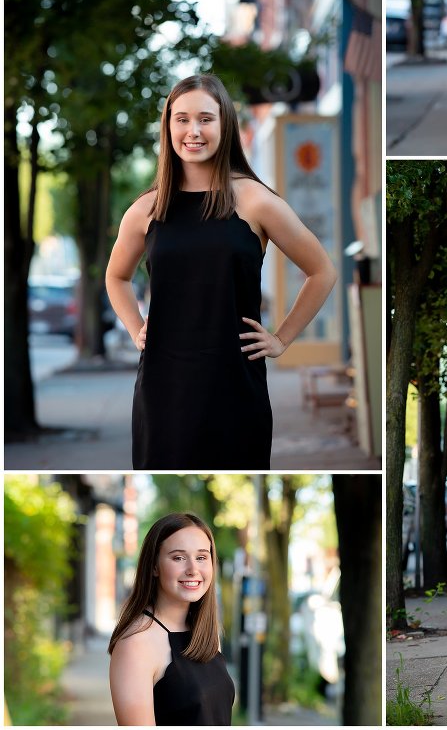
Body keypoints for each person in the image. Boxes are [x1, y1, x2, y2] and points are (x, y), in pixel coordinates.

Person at [105, 74, 337, 469]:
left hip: (234, 383)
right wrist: (135, 327)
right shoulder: (147, 208)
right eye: (182, 119)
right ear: (168, 127)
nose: (193, 131)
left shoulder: (255, 201)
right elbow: (116, 277)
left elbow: (322, 271)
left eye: (205, 119)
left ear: (224, 124)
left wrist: (281, 339)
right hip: (164, 387)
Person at [108, 513, 235, 726]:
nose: (193, 569)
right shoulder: (135, 644)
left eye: (202, 557)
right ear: (154, 566)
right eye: (178, 557)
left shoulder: (205, 633)